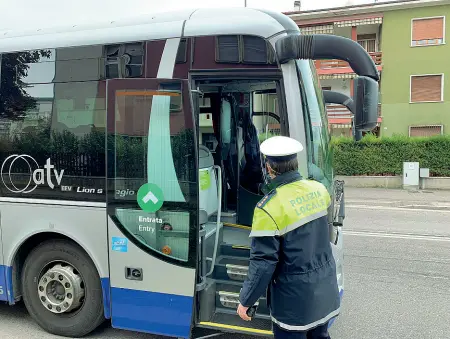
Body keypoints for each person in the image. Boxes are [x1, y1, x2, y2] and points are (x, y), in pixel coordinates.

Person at [236, 136, 340, 339]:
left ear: (268, 167)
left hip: (294, 302)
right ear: (295, 164)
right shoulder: (319, 190)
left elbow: (263, 263)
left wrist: (246, 300)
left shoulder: (268, 208)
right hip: (324, 290)